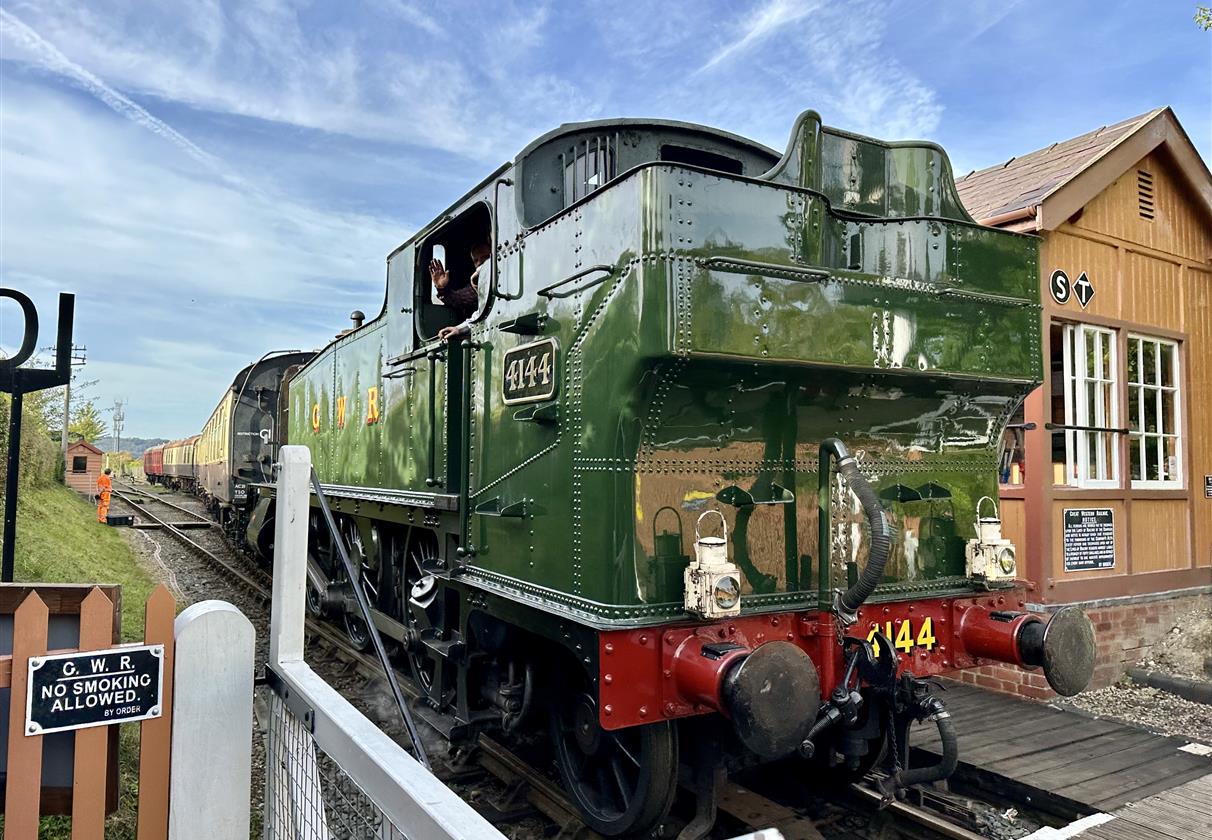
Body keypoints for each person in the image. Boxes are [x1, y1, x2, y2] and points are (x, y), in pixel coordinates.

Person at [431, 240, 490, 342]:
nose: (480, 262)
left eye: (485, 257)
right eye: (476, 260)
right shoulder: (476, 285)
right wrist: (442, 289)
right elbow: (459, 299)